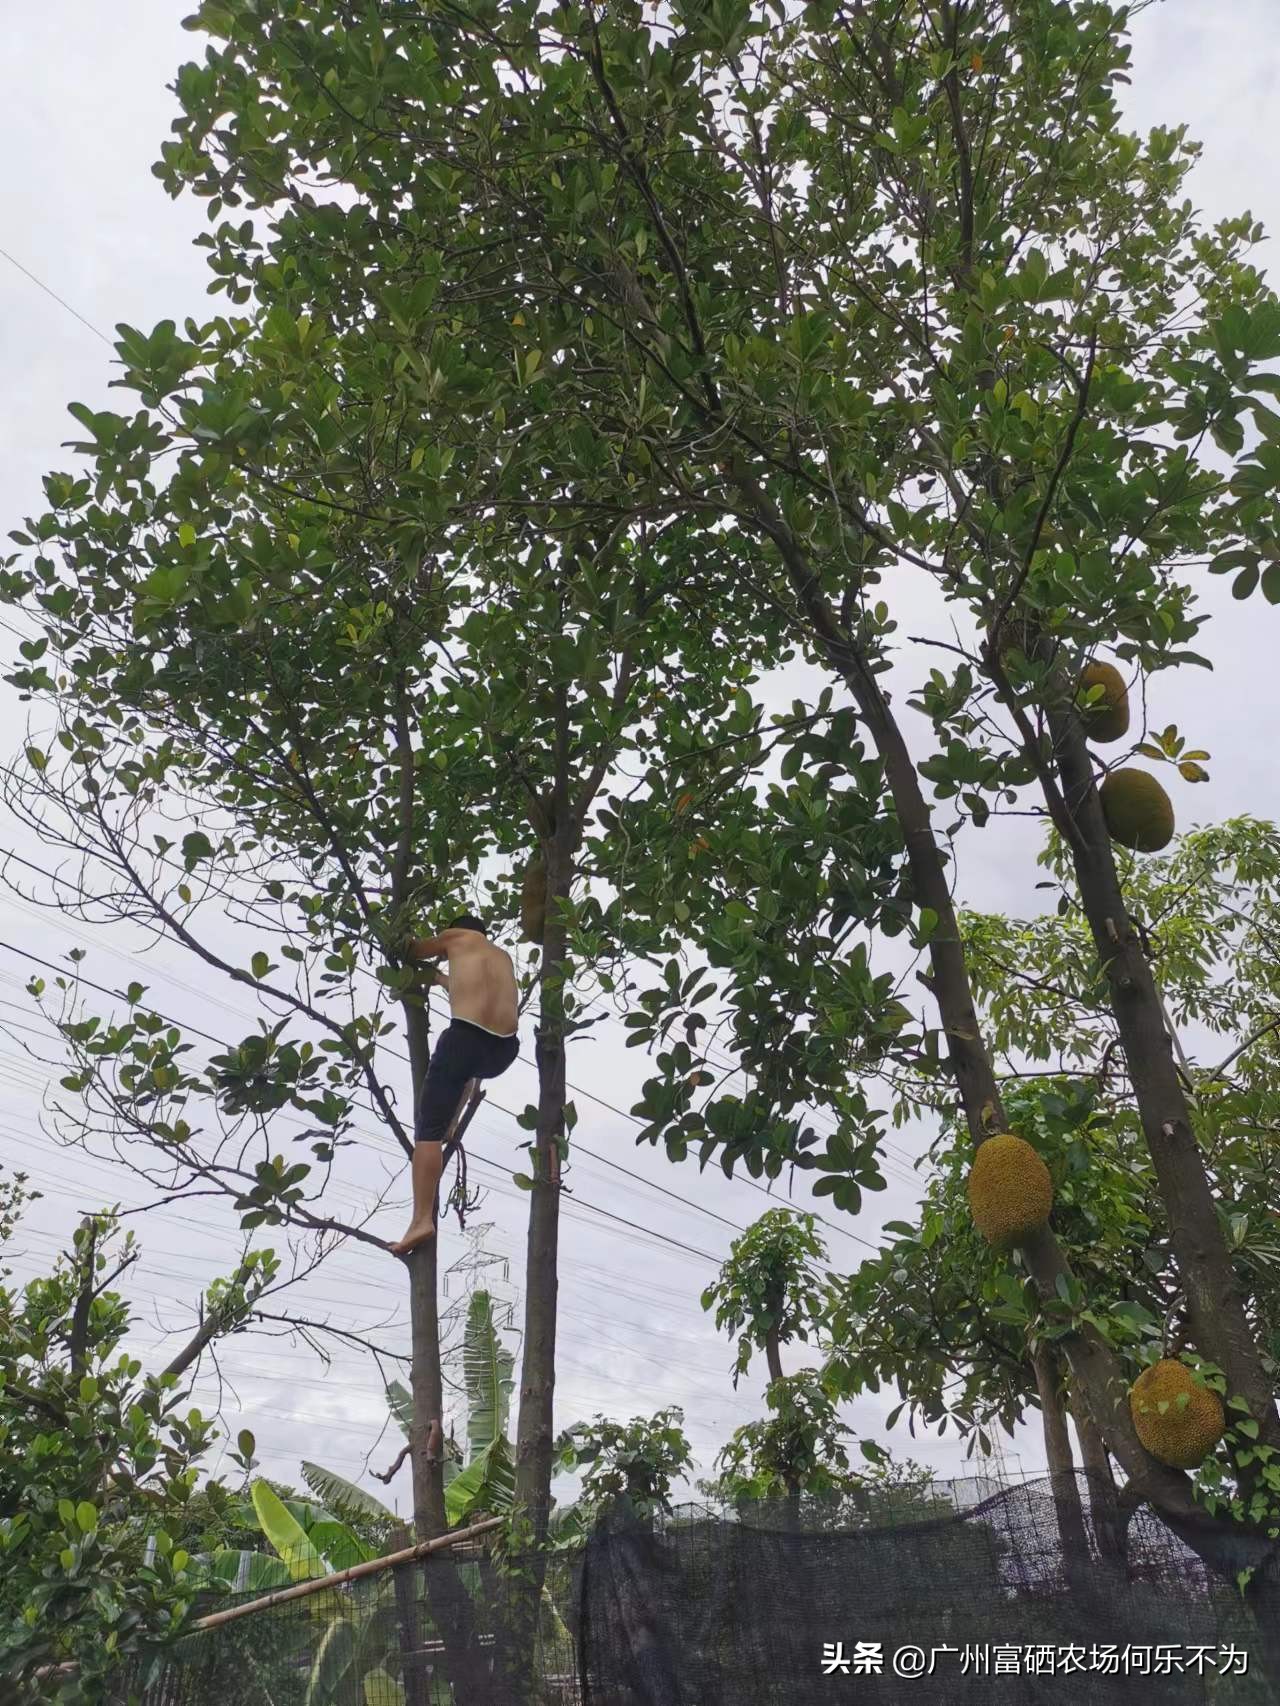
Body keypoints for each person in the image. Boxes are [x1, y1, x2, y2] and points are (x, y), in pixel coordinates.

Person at [389, 915, 520, 1256]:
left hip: (465, 1039)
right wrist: (441, 979)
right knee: (462, 1071)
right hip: (504, 1050)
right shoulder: (500, 957)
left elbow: (410, 950)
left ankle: (421, 1220)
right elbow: (468, 989)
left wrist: (409, 948)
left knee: (426, 1132)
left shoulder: (455, 936)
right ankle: (452, 1120)